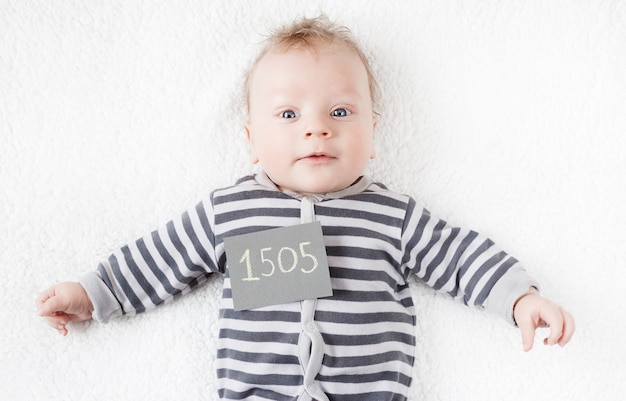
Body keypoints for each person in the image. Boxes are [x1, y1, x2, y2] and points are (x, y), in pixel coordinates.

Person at [37, 15, 575, 401]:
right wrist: (92, 293)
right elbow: (160, 257)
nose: (317, 127)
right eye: (288, 114)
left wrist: (518, 299)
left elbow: (460, 257)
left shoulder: (393, 217)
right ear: (251, 139)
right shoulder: (231, 210)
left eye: (341, 110)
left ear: (373, 135)